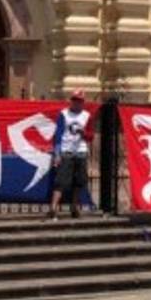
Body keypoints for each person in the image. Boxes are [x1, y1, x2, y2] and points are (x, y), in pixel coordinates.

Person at [49, 91, 93, 221]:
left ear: (83, 102)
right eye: (74, 100)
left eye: (79, 100)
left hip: (81, 151)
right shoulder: (63, 114)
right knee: (61, 181)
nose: (76, 103)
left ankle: (74, 207)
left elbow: (91, 136)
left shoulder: (87, 116)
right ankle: (53, 208)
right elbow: (57, 135)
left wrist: (84, 133)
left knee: (79, 181)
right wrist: (57, 154)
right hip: (66, 151)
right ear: (71, 101)